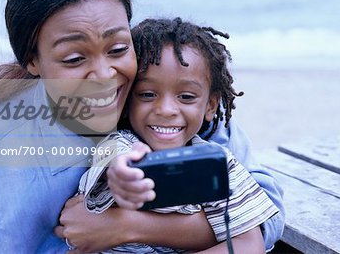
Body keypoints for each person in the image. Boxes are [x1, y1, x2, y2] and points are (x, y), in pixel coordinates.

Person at [0, 0, 284, 253]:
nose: (103, 74)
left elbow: (266, 215)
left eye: (117, 49)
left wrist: (129, 226)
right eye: (74, 59)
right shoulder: (8, 155)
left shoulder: (165, 96)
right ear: (32, 61)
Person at [75, 17, 279, 253]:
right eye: (148, 94)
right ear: (128, 98)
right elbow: (117, 159)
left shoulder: (218, 166)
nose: (166, 109)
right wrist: (123, 171)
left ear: (211, 106)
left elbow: (248, 244)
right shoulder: (120, 144)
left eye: (186, 97)